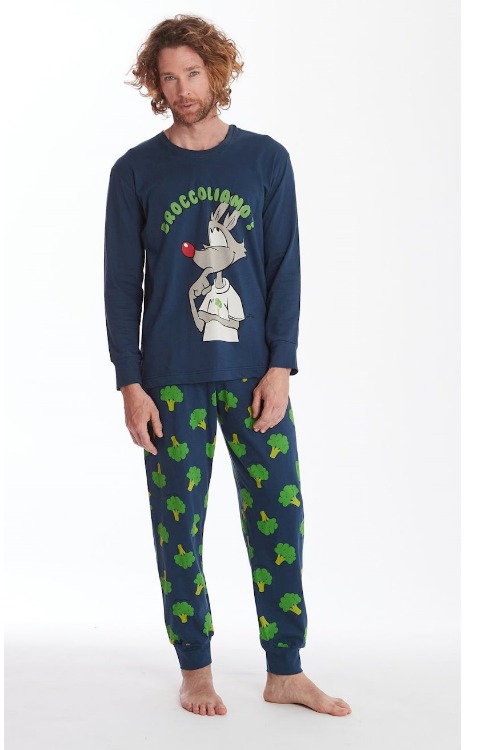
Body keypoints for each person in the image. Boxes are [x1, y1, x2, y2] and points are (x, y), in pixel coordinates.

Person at [104, 13, 351, 718]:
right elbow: (122, 286)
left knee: (279, 513)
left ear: (216, 71)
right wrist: (130, 382)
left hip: (253, 375)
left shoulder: (265, 160)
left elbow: (284, 269)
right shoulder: (136, 171)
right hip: (168, 380)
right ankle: (195, 669)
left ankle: (285, 669)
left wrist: (281, 367)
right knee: (177, 528)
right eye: (168, 77)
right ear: (155, 85)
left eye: (192, 72)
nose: (182, 89)